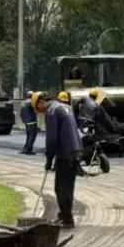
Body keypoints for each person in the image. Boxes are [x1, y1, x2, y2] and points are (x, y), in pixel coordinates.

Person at [36, 92, 82, 229]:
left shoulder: (52, 111)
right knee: (68, 188)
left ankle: (67, 219)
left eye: (38, 108)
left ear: (41, 102)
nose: (40, 111)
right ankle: (64, 215)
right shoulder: (65, 107)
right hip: (75, 151)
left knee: (61, 189)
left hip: (66, 153)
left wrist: (49, 159)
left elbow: (52, 138)